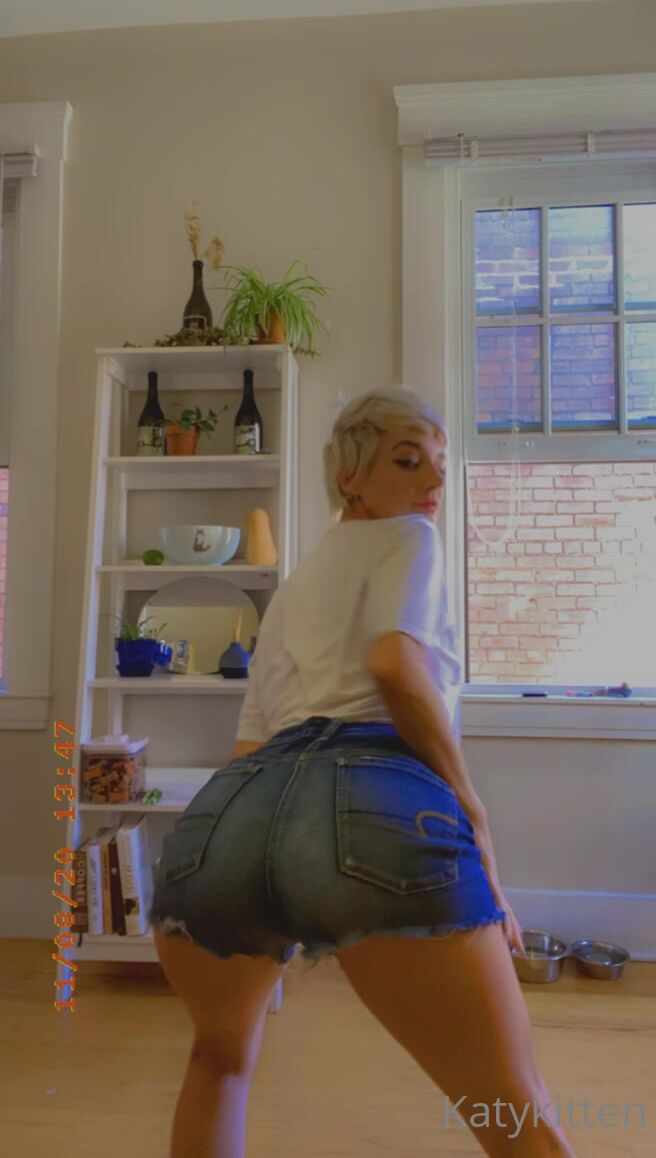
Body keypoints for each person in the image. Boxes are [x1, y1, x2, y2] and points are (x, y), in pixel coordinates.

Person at [148, 386, 576, 1158]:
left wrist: (283, 873)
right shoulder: (411, 538)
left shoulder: (294, 586)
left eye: (439, 463)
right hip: (369, 795)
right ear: (348, 476)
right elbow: (393, 664)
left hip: (227, 823)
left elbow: (249, 746)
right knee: (514, 1107)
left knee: (218, 1063)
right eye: (407, 461)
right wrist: (473, 815)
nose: (432, 482)